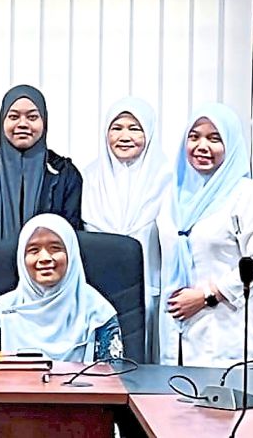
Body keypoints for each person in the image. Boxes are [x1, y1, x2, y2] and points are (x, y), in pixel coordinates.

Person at [0, 85, 84, 356]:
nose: (22, 124)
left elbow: (68, 235)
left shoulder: (65, 173)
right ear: (2, 121)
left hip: (47, 296)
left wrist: (35, 282)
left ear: (44, 122)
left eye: (32, 116)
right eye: (13, 116)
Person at [157, 104, 253, 368]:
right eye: (194, 136)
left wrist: (207, 296)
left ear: (232, 145)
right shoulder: (170, 195)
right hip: (174, 336)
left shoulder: (250, 195)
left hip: (227, 336)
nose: (202, 146)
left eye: (214, 139)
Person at [81, 97, 171, 362]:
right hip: (98, 288)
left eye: (135, 128)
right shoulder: (88, 177)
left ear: (150, 132)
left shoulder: (169, 179)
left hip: (151, 288)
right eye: (116, 127)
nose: (124, 136)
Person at [0, 214, 122, 362]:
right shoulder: (1, 312)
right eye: (34, 250)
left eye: (55, 248)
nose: (44, 258)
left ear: (71, 254)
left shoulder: (98, 311)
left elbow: (113, 376)